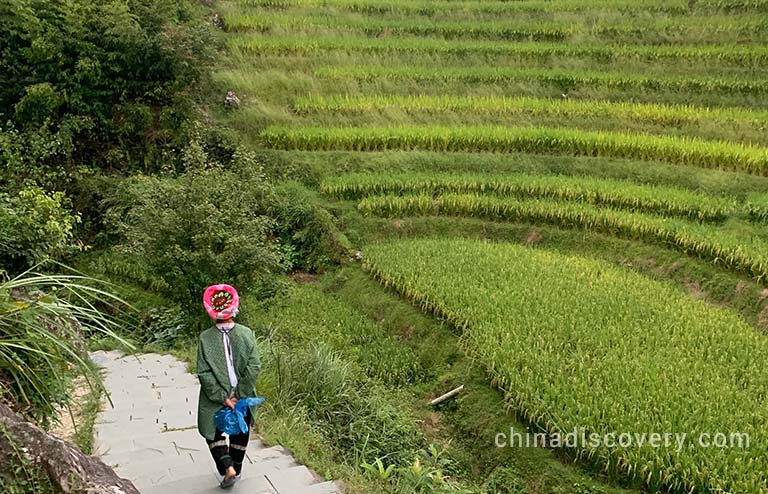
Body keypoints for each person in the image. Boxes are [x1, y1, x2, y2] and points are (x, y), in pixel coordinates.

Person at [196, 284, 261, 488]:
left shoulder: (205, 338)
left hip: (215, 398)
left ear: (211, 311)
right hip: (242, 396)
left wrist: (222, 397)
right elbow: (254, 366)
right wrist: (240, 395)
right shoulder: (246, 334)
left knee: (212, 433)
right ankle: (236, 470)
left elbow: (204, 372)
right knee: (240, 433)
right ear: (235, 307)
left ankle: (227, 468)